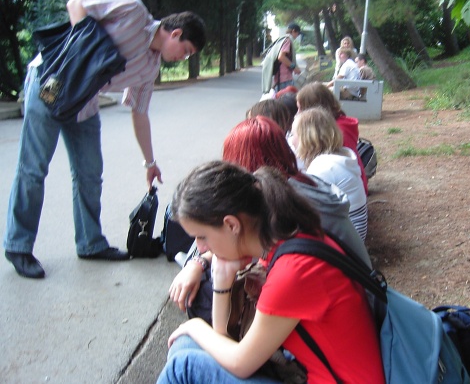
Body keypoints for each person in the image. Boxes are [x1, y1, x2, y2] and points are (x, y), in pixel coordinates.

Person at [4, 0, 206, 279]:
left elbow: (140, 114)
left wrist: (150, 163)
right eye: (185, 51)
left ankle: (90, 243)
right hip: (53, 81)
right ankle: (18, 246)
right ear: (175, 33)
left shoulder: (150, 69)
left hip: (84, 102)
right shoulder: (132, 11)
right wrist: (84, 50)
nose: (182, 58)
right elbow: (76, 4)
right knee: (33, 168)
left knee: (90, 173)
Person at [158, 161, 384, 383]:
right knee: (185, 346)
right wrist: (221, 281)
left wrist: (194, 326)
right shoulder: (285, 237)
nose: (200, 248)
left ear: (231, 225)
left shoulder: (292, 271)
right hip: (314, 371)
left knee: (183, 365)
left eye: (202, 237)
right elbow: (226, 341)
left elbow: (239, 363)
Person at [168, 116, 372, 320]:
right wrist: (198, 262)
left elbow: (239, 245)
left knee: (202, 299)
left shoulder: (284, 217)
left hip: (348, 307)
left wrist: (199, 318)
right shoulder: (291, 191)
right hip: (361, 296)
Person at [291, 108, 368, 241]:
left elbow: (306, 211)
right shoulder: (339, 155)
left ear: (307, 137)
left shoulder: (323, 167)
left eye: (293, 134)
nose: (291, 140)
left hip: (344, 242)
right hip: (353, 234)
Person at [296, 82, 369, 194]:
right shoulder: (340, 123)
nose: (298, 113)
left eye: (300, 108)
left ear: (312, 109)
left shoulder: (333, 132)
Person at [261, 23, 302, 94]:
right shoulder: (288, 40)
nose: (297, 36)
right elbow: (281, 57)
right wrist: (294, 67)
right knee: (286, 99)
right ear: (293, 31)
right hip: (284, 78)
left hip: (280, 78)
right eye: (297, 33)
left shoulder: (282, 39)